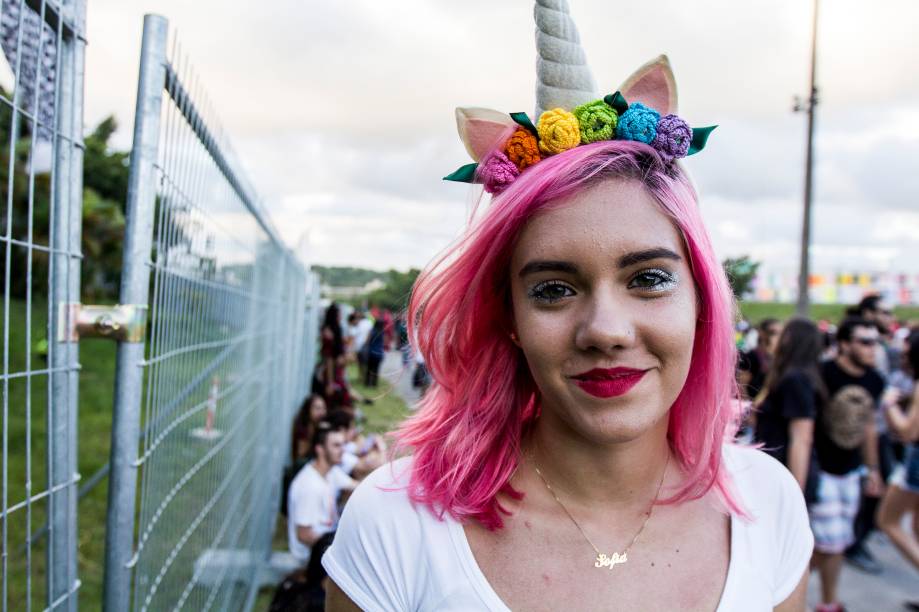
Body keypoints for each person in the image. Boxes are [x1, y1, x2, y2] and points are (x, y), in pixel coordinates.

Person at [322, 11, 812, 609]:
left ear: (702, 298)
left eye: (649, 278)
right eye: (553, 288)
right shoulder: (394, 527)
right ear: (509, 318)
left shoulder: (771, 504)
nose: (605, 331)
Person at [810, 317, 884, 611]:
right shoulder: (823, 374)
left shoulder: (875, 380)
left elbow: (868, 427)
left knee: (836, 541)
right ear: (843, 344)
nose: (873, 349)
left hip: (850, 472)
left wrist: (873, 470)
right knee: (831, 542)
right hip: (822, 471)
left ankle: (828, 601)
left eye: (875, 342)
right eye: (865, 342)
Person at [754, 317, 825, 500]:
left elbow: (801, 438)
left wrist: (795, 495)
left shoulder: (796, 379)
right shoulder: (790, 375)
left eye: (781, 333)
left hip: (786, 472)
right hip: (777, 468)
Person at [877, 329, 919, 580]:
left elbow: (908, 431)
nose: (902, 357)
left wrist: (888, 403)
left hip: (915, 461)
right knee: (915, 527)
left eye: (906, 352)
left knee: (888, 521)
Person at [287, 422, 356, 565]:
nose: (343, 450)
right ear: (320, 449)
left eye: (343, 444)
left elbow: (356, 487)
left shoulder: (331, 471)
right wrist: (339, 552)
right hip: (312, 557)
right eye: (336, 445)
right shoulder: (310, 486)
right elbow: (304, 535)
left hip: (329, 539)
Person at [739, 317, 781, 401]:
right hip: (755, 405)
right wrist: (750, 408)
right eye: (773, 332)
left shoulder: (781, 357)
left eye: (781, 332)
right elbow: (742, 385)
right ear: (762, 333)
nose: (778, 336)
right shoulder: (752, 356)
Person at [290, 394, 327, 464]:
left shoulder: (317, 424)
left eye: (323, 408)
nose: (322, 412)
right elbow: (301, 455)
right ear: (308, 409)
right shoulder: (304, 427)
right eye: (317, 408)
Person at [363, 319, 385, 387]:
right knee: (376, 369)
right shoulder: (382, 332)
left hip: (371, 352)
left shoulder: (372, 331)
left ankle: (367, 383)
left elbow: (367, 341)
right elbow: (383, 342)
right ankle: (374, 383)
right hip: (379, 353)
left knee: (369, 369)